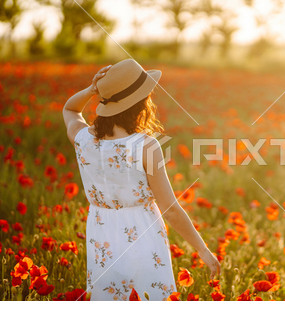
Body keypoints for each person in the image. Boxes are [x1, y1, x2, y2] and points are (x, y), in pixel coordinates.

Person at [62, 59, 220, 301]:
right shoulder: (145, 145)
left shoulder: (82, 138)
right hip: (141, 233)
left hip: (101, 232)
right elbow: (170, 210)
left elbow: (70, 110)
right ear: (139, 104)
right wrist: (203, 250)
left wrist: (92, 90)